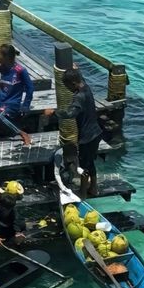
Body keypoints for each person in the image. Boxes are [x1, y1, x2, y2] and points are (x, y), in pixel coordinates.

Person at [43, 67, 102, 198]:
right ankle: (94, 187)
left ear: (73, 84)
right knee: (90, 161)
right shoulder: (86, 87)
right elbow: (80, 77)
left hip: (87, 137)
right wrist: (76, 69)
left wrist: (53, 112)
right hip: (96, 133)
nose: (68, 89)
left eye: (67, 86)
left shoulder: (79, 97)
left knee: (83, 166)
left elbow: (70, 114)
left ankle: (83, 193)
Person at [0, 43, 33, 147]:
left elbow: (30, 88)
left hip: (12, 103)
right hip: (0, 99)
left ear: (7, 57)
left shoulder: (20, 71)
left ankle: (22, 133)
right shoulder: (2, 67)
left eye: (0, 55)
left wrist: (26, 105)